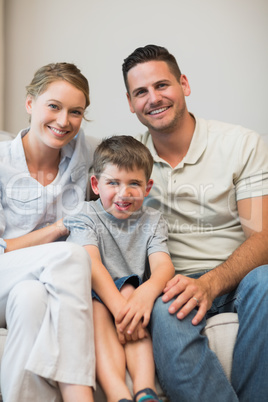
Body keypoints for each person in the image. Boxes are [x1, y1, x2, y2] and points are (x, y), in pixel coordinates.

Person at [121, 44, 268, 402]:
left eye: (162, 85)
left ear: (183, 84)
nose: (153, 98)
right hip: (173, 285)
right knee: (161, 305)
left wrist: (210, 283)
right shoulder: (128, 163)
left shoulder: (240, 144)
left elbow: (263, 236)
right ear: (130, 103)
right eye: (141, 92)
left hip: (240, 276)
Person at [0, 62, 96, 402]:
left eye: (75, 112)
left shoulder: (85, 153)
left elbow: (130, 163)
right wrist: (58, 230)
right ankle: (78, 393)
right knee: (70, 254)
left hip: (41, 285)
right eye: (53, 106)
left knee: (30, 300)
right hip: (3, 275)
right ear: (30, 104)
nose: (63, 121)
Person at [64, 135, 175, 402]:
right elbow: (91, 263)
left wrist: (145, 294)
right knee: (104, 305)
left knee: (130, 291)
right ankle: (118, 395)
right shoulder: (84, 214)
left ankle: (145, 391)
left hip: (131, 295)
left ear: (147, 187)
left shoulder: (152, 219)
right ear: (96, 184)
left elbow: (163, 265)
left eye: (133, 184)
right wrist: (120, 307)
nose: (123, 193)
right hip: (95, 292)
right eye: (113, 183)